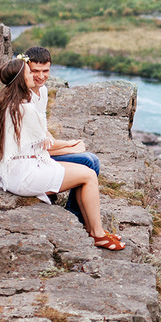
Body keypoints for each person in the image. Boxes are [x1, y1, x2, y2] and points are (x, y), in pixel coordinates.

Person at [0, 55, 125, 251]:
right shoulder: (24, 109)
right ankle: (98, 234)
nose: (34, 77)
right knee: (89, 175)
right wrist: (72, 146)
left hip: (14, 169)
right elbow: (45, 146)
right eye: (29, 73)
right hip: (25, 174)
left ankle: (92, 229)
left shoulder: (3, 102)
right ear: (21, 79)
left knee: (84, 169)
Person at [21, 46, 100, 225]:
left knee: (91, 160)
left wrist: (64, 144)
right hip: (31, 157)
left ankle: (76, 210)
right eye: (35, 71)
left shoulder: (42, 91)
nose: (41, 76)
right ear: (26, 70)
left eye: (45, 71)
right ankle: (75, 214)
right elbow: (37, 143)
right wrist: (70, 145)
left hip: (40, 149)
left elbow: (43, 129)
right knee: (89, 161)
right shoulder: (24, 99)